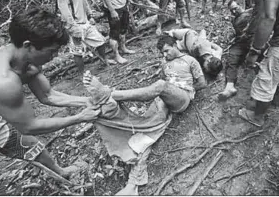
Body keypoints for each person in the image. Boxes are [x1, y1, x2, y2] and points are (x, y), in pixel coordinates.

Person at [0, 9, 101, 195]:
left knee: (30, 146)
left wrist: (88, 101)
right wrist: (80, 118)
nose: (54, 57)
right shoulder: (1, 79)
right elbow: (29, 126)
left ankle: (61, 173)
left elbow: (48, 95)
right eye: (52, 52)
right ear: (28, 45)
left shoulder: (25, 64)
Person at [82, 35, 206, 195]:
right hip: (165, 96)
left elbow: (202, 83)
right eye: (162, 53)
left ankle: (109, 94)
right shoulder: (164, 63)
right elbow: (164, 82)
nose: (165, 55)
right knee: (145, 131)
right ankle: (133, 184)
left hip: (182, 96)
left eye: (167, 51)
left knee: (160, 85)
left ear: (175, 45)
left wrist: (190, 89)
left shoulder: (190, 60)